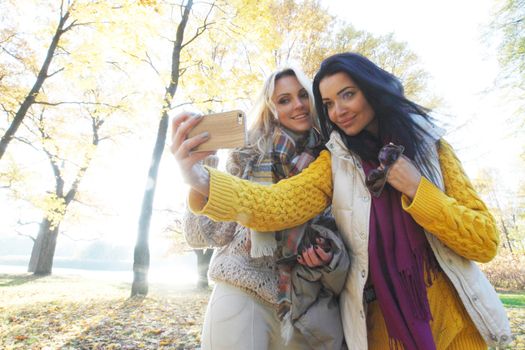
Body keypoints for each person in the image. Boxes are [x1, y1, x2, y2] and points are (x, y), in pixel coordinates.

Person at [172, 53, 512, 350]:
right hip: (381, 330)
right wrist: (200, 179)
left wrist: (418, 189)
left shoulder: (431, 149)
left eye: (347, 95)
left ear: (371, 90)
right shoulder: (336, 162)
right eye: (330, 103)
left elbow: (484, 241)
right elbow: (276, 204)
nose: (339, 111)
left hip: (456, 324)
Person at [181, 67, 349, 350]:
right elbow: (203, 236)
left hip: (307, 309)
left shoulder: (335, 163)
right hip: (242, 292)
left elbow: (347, 251)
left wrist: (327, 260)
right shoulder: (247, 154)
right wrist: (201, 172)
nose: (297, 105)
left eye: (302, 95)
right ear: (271, 109)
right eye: (283, 100)